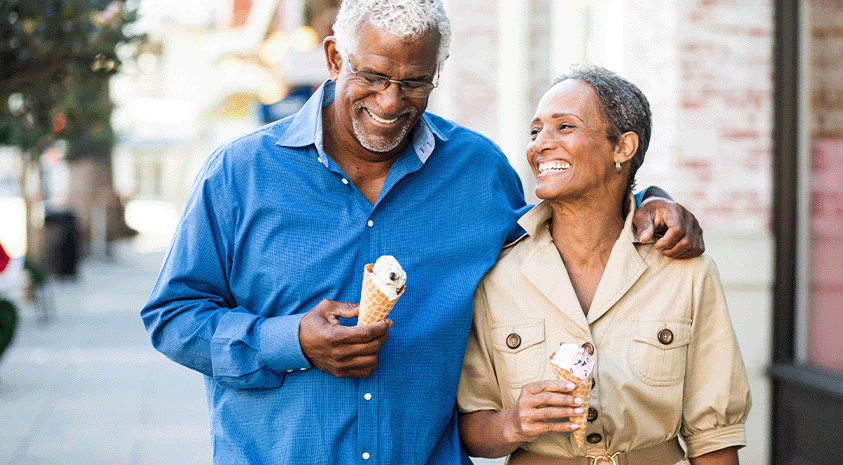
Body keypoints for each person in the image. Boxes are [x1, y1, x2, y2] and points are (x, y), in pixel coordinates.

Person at [141, 1, 705, 463]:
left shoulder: (477, 172)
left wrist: (648, 198)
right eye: (374, 76)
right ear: (335, 57)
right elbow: (171, 316)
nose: (391, 102)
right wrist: (291, 341)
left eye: (414, 83)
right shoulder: (241, 173)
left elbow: (564, 235)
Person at [457, 66, 751, 465]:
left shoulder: (686, 272)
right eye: (535, 131)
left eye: (564, 127)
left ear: (623, 148)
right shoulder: (498, 275)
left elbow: (715, 438)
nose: (540, 144)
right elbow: (472, 430)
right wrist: (514, 423)